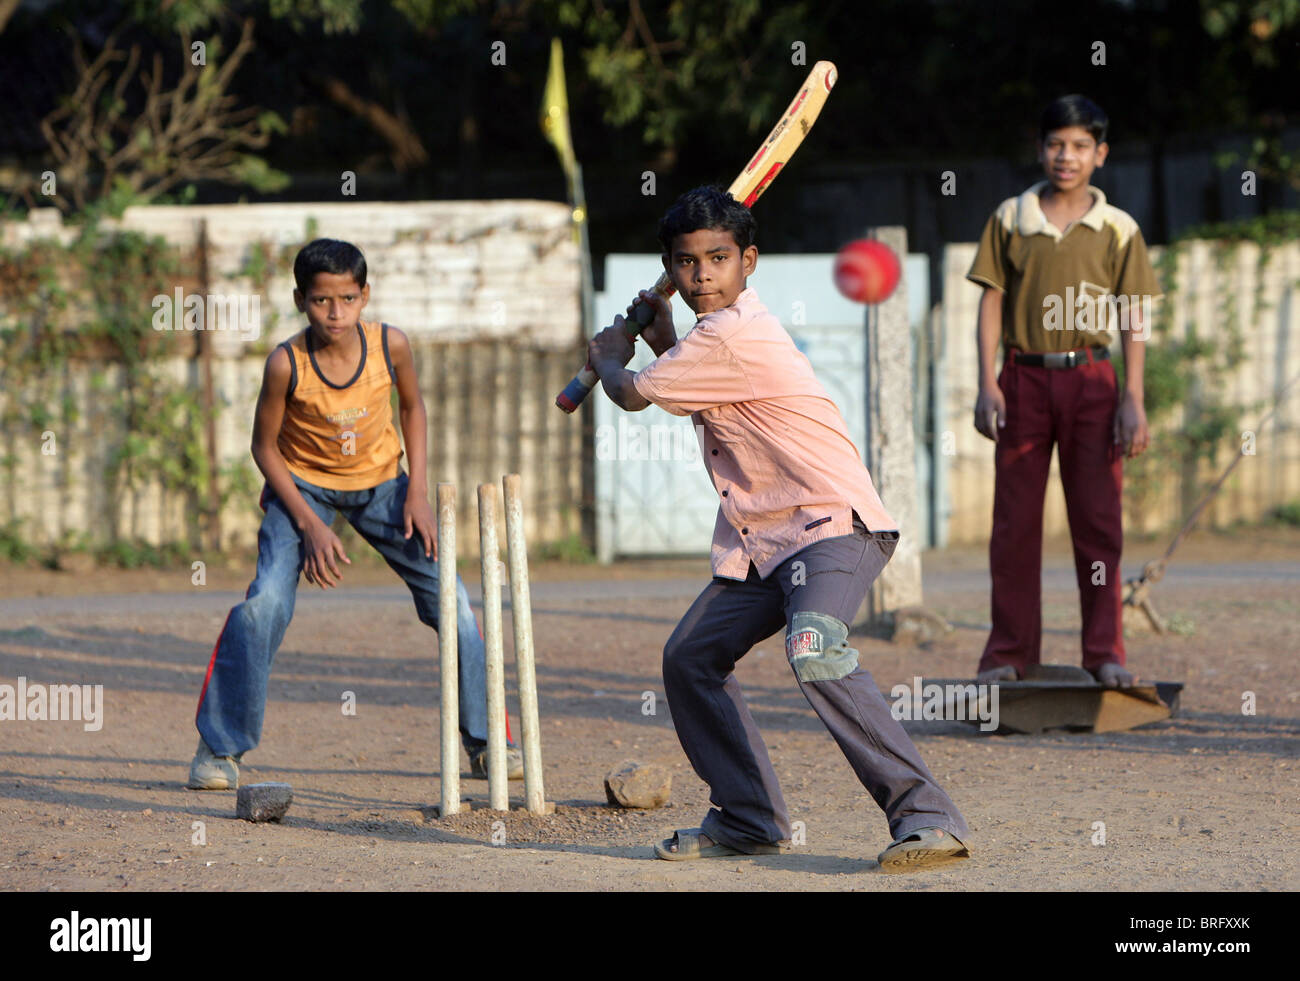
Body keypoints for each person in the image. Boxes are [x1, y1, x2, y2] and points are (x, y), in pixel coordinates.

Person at [588, 186, 970, 871]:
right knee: (690, 658)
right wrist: (659, 340)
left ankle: (928, 818)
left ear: (750, 261)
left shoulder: (738, 331)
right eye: (685, 261)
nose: (702, 273)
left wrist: (611, 354)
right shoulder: (711, 338)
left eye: (719, 258)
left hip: (830, 524)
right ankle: (749, 818)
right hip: (765, 539)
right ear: (671, 270)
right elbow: (695, 386)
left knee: (815, 646)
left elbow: (634, 394)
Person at [187, 238, 521, 789]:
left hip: (385, 487)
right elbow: (263, 448)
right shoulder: (285, 364)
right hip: (303, 493)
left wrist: (417, 488)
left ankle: (488, 744)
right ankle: (218, 749)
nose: (335, 312)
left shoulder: (391, 346)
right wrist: (310, 523)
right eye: (321, 301)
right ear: (300, 300)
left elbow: (412, 407)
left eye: (347, 298)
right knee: (262, 605)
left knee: (454, 601)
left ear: (365, 296)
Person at [968, 95, 1161, 689]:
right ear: (1040, 149)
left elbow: (1134, 313)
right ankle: (1009, 654)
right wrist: (986, 383)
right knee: (1015, 524)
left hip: (1096, 382)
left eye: (1080, 145)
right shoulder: (1010, 218)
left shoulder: (1119, 228)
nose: (1066, 156)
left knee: (1099, 524)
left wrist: (1134, 396)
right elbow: (991, 300)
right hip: (1022, 379)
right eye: (1056, 144)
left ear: (1099, 154)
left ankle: (1104, 653)